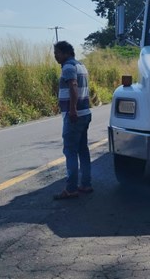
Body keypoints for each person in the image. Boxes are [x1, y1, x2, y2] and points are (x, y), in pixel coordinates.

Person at [53, 41, 93, 200]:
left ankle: (71, 188)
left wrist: (72, 109)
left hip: (74, 116)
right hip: (85, 113)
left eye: (57, 53)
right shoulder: (80, 65)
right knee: (83, 150)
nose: (55, 56)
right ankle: (86, 184)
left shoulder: (68, 67)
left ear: (65, 53)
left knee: (70, 152)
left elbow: (73, 86)